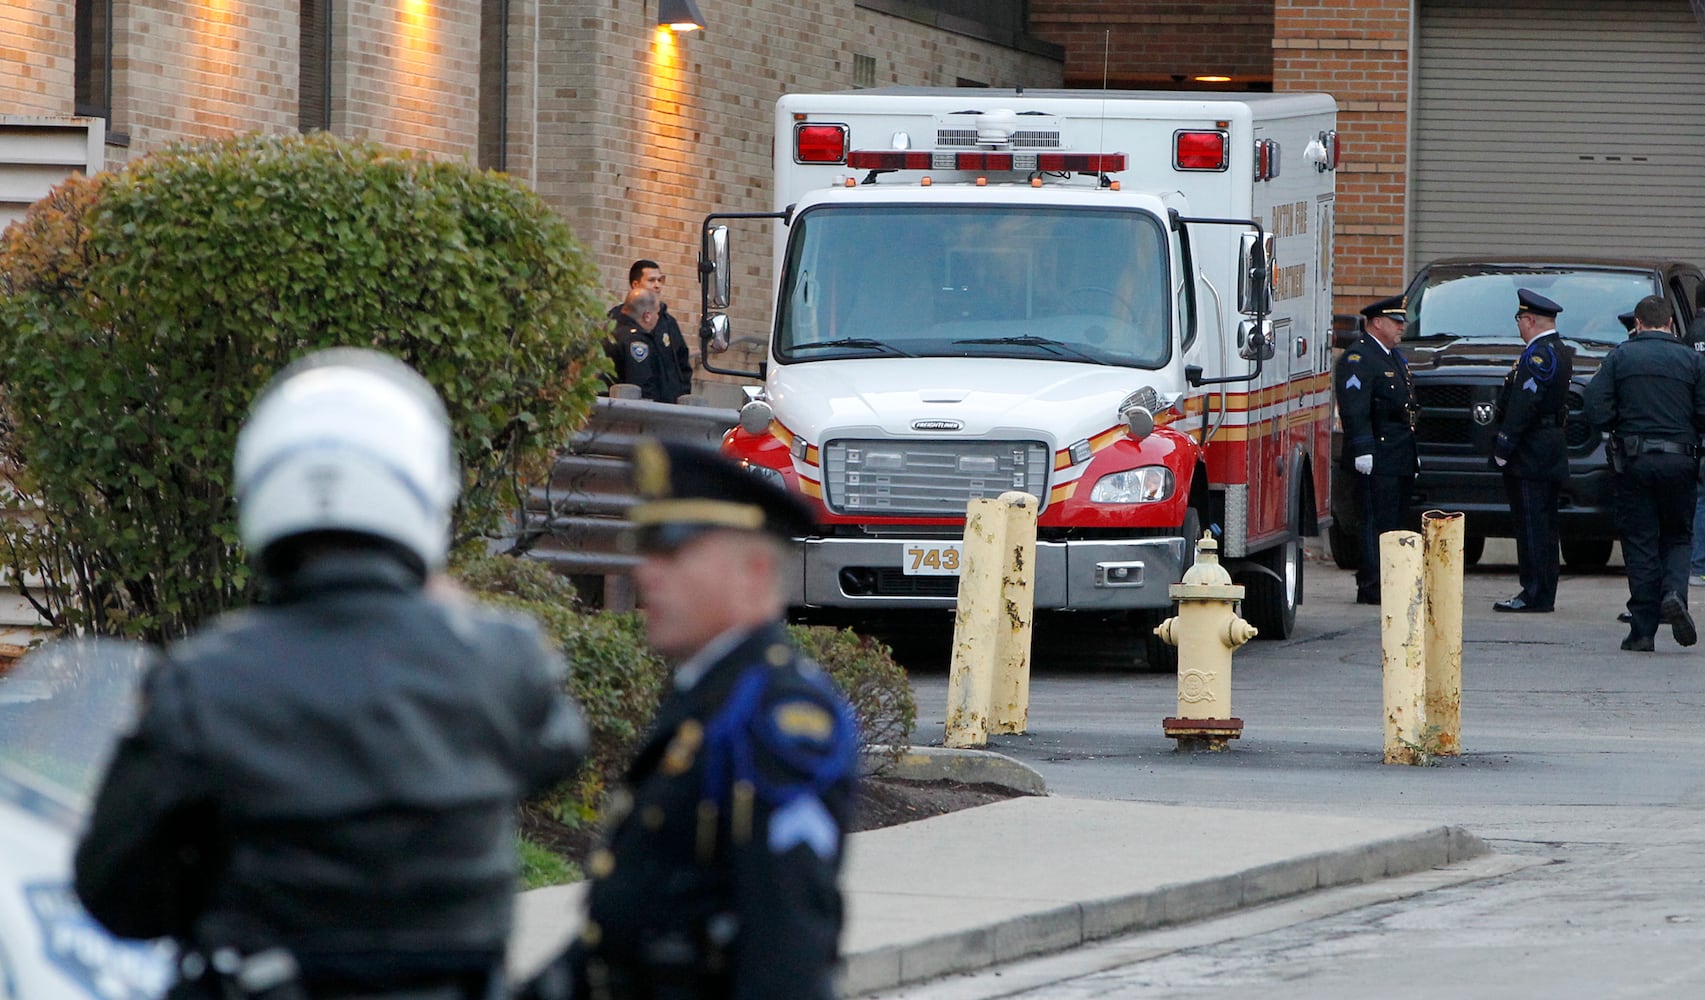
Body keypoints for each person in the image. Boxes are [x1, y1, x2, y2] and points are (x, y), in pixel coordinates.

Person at [74, 349, 589, 999]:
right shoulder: (499, 657)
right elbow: (559, 752)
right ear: (422, 491)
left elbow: (116, 894)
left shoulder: (205, 679)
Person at [522, 438, 859, 1000]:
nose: (646, 574)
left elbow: (786, 951)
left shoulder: (775, 718)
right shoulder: (706, 695)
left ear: (753, 571)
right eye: (646, 550)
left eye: (673, 554)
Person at [1584, 295, 1705, 651]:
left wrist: (1620, 423)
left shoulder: (1621, 357)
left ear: (1637, 324)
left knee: (1640, 541)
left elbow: (1595, 406)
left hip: (1634, 461)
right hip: (1681, 461)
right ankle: (1673, 593)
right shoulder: (1692, 360)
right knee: (1678, 536)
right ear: (1670, 324)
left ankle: (1643, 631)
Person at [1490, 289, 1573, 613]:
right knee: (1544, 525)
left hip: (1532, 451)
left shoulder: (1538, 355)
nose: (1519, 326)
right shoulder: (1559, 350)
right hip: (1547, 447)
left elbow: (1524, 404)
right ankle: (1542, 590)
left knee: (1532, 525)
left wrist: (1504, 445)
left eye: (1520, 320)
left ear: (1530, 320)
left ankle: (1534, 591)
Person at [1334, 294, 1418, 605]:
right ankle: (1372, 584)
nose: (1401, 327)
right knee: (1375, 521)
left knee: (1394, 521)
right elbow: (1355, 408)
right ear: (1377, 323)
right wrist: (1363, 448)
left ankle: (1390, 580)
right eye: (1396, 322)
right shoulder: (1359, 358)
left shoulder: (1392, 357)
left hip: (1398, 454)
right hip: (1377, 454)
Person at [607, 259, 694, 401]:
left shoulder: (668, 323)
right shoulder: (618, 321)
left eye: (660, 280)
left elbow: (682, 363)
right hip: (630, 406)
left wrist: (681, 394)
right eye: (651, 280)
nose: (657, 285)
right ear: (635, 284)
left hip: (669, 406)